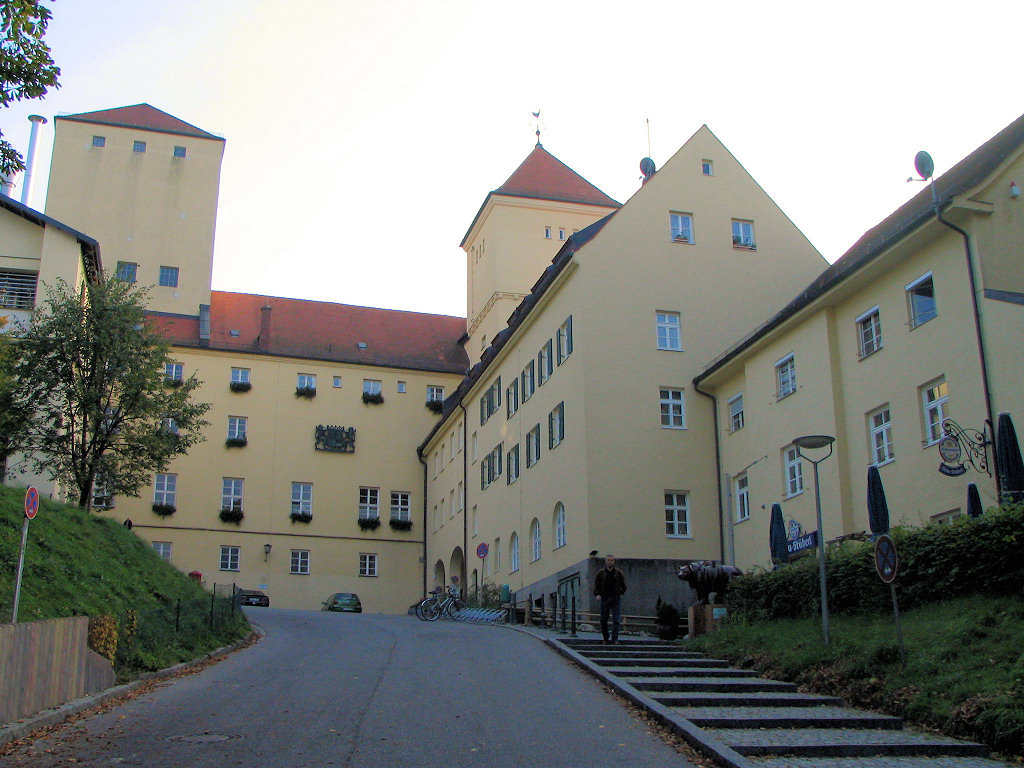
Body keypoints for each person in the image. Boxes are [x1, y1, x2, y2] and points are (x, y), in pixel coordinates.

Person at [593, 554, 626, 644]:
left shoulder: (618, 573)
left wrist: (621, 593)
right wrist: (597, 594)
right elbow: (596, 585)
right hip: (605, 597)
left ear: (614, 561)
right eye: (608, 560)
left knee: (616, 619)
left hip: (615, 598)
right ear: (605, 561)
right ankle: (605, 638)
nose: (610, 561)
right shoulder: (600, 573)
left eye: (611, 560)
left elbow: (623, 585)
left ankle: (615, 639)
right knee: (603, 619)